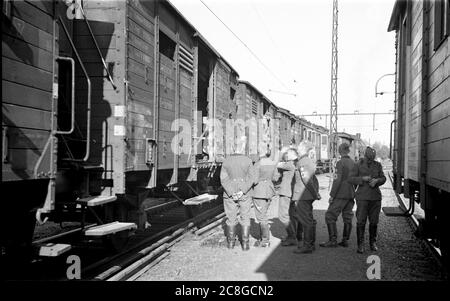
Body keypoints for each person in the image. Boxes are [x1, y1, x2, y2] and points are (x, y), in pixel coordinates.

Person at [348, 146, 386, 254]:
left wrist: (377, 180)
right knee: (361, 221)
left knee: (374, 222)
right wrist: (362, 179)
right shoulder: (358, 165)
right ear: (365, 156)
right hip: (362, 198)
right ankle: (360, 245)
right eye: (369, 158)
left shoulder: (377, 165)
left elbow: (383, 178)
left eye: (372, 158)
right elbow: (350, 179)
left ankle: (373, 243)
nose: (370, 160)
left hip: (375, 198)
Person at [320, 142, 356, 248]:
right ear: (348, 151)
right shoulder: (353, 163)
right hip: (350, 193)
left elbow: (337, 180)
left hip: (340, 194)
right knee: (348, 217)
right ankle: (345, 240)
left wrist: (332, 195)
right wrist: (353, 191)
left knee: (330, 216)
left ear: (340, 151)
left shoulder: (340, 163)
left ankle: (333, 240)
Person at [220, 145, 255, 251]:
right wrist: (242, 190)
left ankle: (230, 243)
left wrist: (231, 191)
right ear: (242, 149)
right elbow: (251, 178)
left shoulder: (226, 161)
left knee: (231, 218)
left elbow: (223, 179)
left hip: (229, 194)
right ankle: (245, 244)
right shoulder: (248, 161)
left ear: (232, 149)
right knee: (245, 218)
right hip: (244, 194)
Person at [292, 141, 320, 254]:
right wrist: (315, 193)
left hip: (302, 196)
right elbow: (314, 180)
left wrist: (315, 194)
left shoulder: (303, 162)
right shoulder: (308, 161)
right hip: (306, 195)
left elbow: (307, 180)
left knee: (305, 220)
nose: (297, 149)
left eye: (298, 148)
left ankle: (307, 246)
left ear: (303, 149)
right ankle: (311, 243)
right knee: (309, 219)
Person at [252, 148, 279, 247]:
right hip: (269, 191)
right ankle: (263, 238)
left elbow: (254, 180)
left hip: (259, 192)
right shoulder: (272, 163)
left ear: (260, 153)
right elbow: (276, 178)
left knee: (261, 217)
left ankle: (265, 240)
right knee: (264, 214)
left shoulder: (257, 164)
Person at [277, 148, 302, 247]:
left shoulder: (289, 164)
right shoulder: (295, 164)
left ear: (293, 155)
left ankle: (292, 237)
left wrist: (281, 152)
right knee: (292, 215)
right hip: (291, 192)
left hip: (286, 192)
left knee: (283, 216)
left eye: (288, 154)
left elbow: (276, 163)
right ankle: (293, 235)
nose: (286, 155)